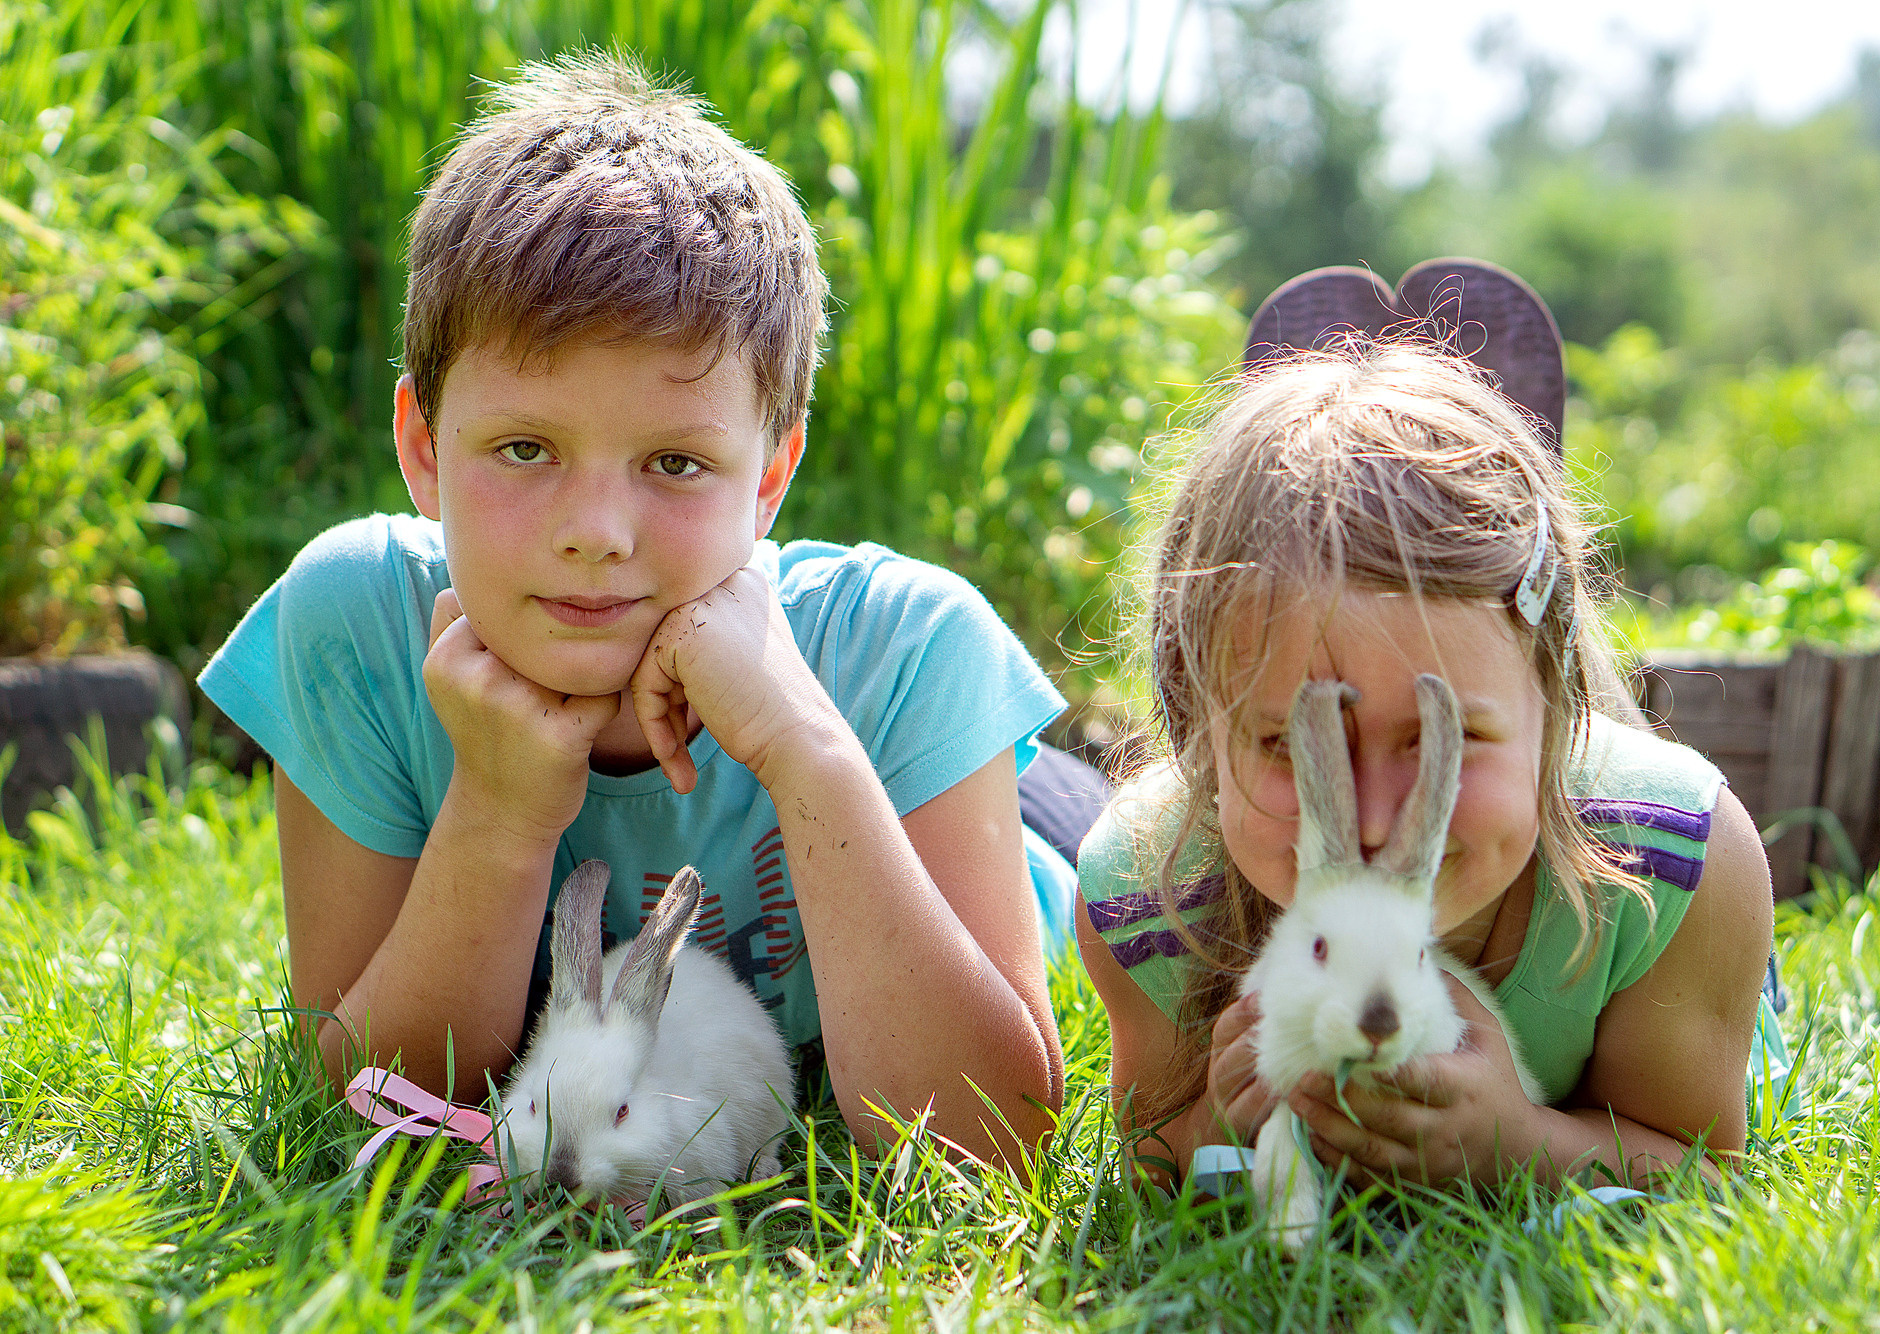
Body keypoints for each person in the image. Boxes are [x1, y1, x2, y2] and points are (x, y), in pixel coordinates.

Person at [198, 51, 1068, 1168]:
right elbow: (367, 1096)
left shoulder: (903, 641)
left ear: (769, 476)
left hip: (1018, 822)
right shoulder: (357, 620)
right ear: (422, 447)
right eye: (524, 448)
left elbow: (989, 1141)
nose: (597, 531)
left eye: (672, 461)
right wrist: (499, 814)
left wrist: (803, 745)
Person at [1076, 339, 1790, 1194]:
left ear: (1558, 716)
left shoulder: (1675, 862)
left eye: (1441, 738)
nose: (1374, 819)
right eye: (1288, 744)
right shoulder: (1144, 886)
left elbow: (1707, 1170)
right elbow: (1148, 1158)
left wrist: (1521, 1142)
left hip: (1616, 854)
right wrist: (1214, 1123)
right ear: (1196, 727)